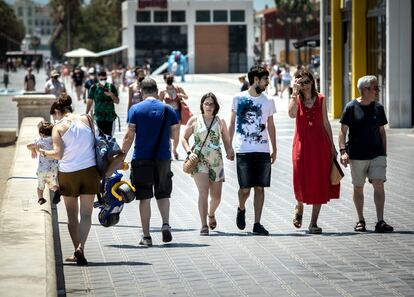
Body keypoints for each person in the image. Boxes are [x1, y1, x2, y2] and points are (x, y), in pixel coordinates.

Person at [36, 94, 101, 265]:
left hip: (69, 174)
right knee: (86, 214)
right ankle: (82, 248)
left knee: (72, 215)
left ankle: (77, 248)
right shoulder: (87, 118)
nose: (54, 119)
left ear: (58, 111)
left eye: (54, 115)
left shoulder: (58, 127)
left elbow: (58, 154)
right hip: (90, 171)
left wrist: (42, 151)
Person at [121, 78, 179, 246]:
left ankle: (146, 236)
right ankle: (166, 224)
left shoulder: (135, 109)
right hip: (163, 158)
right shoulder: (168, 110)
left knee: (144, 197)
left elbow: (129, 135)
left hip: (141, 158)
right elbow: (175, 135)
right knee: (163, 193)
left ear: (141, 91)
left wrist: (121, 156)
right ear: (156, 90)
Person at [338, 75, 393, 233]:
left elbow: (382, 132)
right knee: (358, 188)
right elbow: (342, 132)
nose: (378, 90)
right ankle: (361, 220)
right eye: (375, 88)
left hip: (377, 154)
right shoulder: (351, 107)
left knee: (379, 184)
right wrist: (343, 151)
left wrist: (384, 153)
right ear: (364, 90)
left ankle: (380, 221)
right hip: (357, 155)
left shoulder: (378, 108)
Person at [288, 69, 340, 234]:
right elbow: (291, 114)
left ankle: (313, 223)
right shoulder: (296, 99)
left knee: (318, 182)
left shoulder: (321, 98)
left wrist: (332, 146)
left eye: (306, 82)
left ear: (312, 82)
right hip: (301, 145)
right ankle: (300, 205)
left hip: (320, 145)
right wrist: (293, 93)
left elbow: (326, 122)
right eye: (300, 83)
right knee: (299, 180)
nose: (304, 86)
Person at [228, 65, 277, 235]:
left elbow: (271, 125)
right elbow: (232, 123)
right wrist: (228, 146)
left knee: (260, 188)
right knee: (245, 189)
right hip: (243, 150)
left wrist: (274, 148)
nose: (267, 83)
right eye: (265, 80)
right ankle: (241, 208)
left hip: (262, 149)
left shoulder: (268, 101)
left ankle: (257, 223)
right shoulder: (238, 98)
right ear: (256, 80)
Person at [182, 93, 234, 235]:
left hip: (216, 161)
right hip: (199, 161)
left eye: (211, 104)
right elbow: (184, 138)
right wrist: (189, 153)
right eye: (206, 103)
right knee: (203, 192)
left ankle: (211, 213)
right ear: (202, 105)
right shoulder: (194, 120)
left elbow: (227, 141)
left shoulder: (220, 121)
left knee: (216, 197)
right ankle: (203, 225)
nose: (209, 106)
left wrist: (230, 151)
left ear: (215, 106)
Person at [27, 121, 59, 205]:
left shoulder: (40, 141)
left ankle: (40, 198)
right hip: (53, 170)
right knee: (52, 185)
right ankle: (57, 192)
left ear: (41, 133)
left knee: (40, 186)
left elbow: (28, 146)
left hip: (42, 171)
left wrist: (33, 150)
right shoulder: (55, 141)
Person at [159, 72, 189, 160]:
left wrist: (181, 95)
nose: (169, 80)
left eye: (171, 78)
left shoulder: (178, 88)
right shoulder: (162, 91)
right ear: (164, 80)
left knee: (176, 135)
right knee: (167, 134)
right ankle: (169, 151)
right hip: (167, 114)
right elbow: (159, 104)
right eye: (168, 78)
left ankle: (174, 150)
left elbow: (186, 96)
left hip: (177, 113)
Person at [86, 70, 120, 136]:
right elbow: (89, 101)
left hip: (110, 116)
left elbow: (117, 101)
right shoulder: (94, 88)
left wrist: (111, 95)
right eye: (101, 79)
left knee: (109, 138)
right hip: (98, 117)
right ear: (98, 78)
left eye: (105, 79)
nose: (103, 80)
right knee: (99, 138)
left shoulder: (111, 87)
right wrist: (86, 113)